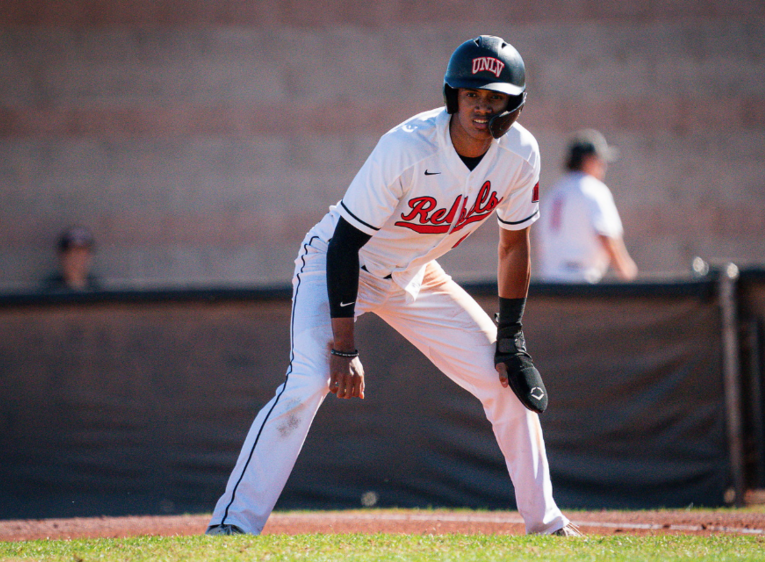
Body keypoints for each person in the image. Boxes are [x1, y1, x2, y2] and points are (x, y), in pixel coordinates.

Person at [207, 35, 579, 537]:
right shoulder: (408, 146)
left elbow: (514, 246)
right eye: (472, 95)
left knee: (506, 380)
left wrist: (510, 334)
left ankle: (547, 524)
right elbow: (344, 244)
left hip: (417, 273)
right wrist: (343, 346)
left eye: (494, 97)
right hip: (337, 264)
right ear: (454, 96)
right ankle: (232, 525)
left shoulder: (520, 153)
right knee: (310, 379)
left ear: (514, 105)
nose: (482, 106)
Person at [535, 129, 638, 283]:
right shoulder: (593, 189)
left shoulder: (553, 193)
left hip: (550, 282)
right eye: (600, 160)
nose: (603, 166)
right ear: (588, 160)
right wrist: (626, 270)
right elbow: (606, 236)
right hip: (581, 281)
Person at [41, 226, 100, 290]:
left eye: (82, 255)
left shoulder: (99, 293)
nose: (77, 260)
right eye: (71, 254)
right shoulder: (48, 292)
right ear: (62, 256)